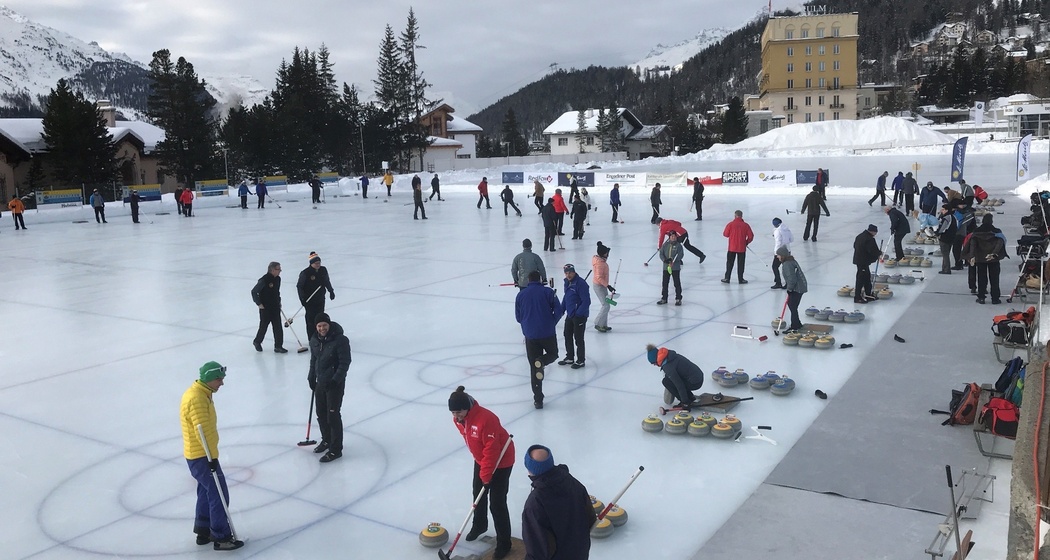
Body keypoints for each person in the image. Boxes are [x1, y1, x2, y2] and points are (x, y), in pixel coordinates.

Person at [180, 361, 244, 550]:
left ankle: (203, 529)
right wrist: (211, 459)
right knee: (218, 493)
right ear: (209, 378)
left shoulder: (202, 393)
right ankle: (221, 536)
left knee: (206, 491)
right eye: (219, 379)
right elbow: (202, 431)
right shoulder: (197, 399)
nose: (222, 383)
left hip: (197, 454)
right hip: (201, 455)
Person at [448, 386, 515, 558]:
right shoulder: (459, 420)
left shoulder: (486, 419)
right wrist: (482, 468)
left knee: (497, 503)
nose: (456, 416)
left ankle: (504, 544)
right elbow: (471, 440)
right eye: (453, 412)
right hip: (482, 459)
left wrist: (486, 475)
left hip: (501, 460)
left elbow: (492, 450)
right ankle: (480, 525)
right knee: (478, 492)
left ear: (467, 407)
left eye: (459, 412)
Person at [520, 445, 595, 560]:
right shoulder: (573, 483)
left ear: (530, 469)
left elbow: (538, 547)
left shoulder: (535, 503)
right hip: (580, 552)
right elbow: (590, 518)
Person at [515, 270, 564, 408]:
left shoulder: (521, 295)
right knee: (553, 354)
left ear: (528, 280)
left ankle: (538, 399)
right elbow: (559, 310)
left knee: (534, 369)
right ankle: (541, 360)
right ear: (540, 279)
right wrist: (551, 322)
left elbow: (518, 316)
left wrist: (526, 325)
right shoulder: (548, 292)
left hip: (530, 335)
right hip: (547, 332)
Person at [307, 312, 351, 463]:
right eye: (319, 326)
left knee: (333, 416)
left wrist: (335, 380)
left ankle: (335, 449)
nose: (322, 328)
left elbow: (345, 362)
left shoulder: (340, 340)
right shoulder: (314, 340)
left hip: (334, 384)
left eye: (324, 325)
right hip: (321, 382)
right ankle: (326, 440)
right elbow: (314, 359)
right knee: (321, 413)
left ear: (329, 324)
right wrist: (311, 376)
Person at [964, 214, 1007, 304]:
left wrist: (972, 256)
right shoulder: (997, 231)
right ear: (991, 221)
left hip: (980, 259)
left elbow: (973, 244)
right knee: (995, 278)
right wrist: (994, 253)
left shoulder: (976, 231)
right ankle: (995, 298)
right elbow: (1000, 243)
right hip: (993, 259)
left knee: (981, 278)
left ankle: (981, 297)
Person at [558, 264, 590, 369]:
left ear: (574, 272)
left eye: (570, 272)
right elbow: (567, 297)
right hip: (570, 314)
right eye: (566, 273)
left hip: (579, 316)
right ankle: (570, 357)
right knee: (567, 335)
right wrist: (561, 310)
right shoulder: (567, 283)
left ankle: (581, 360)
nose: (568, 275)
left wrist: (579, 313)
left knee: (578, 338)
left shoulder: (581, 284)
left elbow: (586, 301)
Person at [297, 252, 335, 340]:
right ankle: (312, 339)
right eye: (316, 263)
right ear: (311, 263)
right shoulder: (305, 273)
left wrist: (331, 291)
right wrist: (302, 299)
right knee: (310, 321)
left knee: (320, 319)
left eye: (319, 263)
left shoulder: (323, 270)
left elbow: (326, 281)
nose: (318, 265)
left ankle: (321, 337)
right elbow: (299, 287)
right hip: (309, 301)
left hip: (320, 299)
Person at [251, 262, 286, 353]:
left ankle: (278, 346)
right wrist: (259, 303)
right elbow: (254, 292)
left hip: (275, 307)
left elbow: (276, 292)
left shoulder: (278, 279)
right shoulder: (264, 280)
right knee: (264, 326)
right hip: (265, 308)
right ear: (272, 270)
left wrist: (279, 301)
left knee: (278, 327)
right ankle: (257, 341)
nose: (280, 271)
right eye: (279, 269)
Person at [778, 246, 808, 332]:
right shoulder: (791, 261)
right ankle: (797, 323)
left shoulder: (787, 264)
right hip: (800, 286)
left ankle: (795, 326)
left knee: (792, 305)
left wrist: (789, 289)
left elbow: (792, 279)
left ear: (782, 256)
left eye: (778, 255)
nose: (777, 257)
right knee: (792, 305)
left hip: (797, 287)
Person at [722, 210, 754, 284]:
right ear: (741, 216)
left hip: (732, 248)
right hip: (741, 248)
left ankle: (727, 278)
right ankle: (740, 279)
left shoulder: (730, 224)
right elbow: (751, 236)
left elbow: (725, 234)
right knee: (741, 264)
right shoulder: (746, 225)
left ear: (735, 216)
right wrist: (746, 242)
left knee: (729, 263)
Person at [853, 224, 881, 304]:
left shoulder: (860, 236)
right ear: (873, 232)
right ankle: (857, 297)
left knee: (867, 277)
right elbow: (872, 250)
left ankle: (868, 294)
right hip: (863, 261)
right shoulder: (869, 239)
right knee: (861, 279)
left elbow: (854, 246)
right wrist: (879, 253)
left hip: (860, 260)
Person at [591, 242, 615, 333]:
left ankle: (604, 324)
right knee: (606, 305)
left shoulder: (600, 260)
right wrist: (608, 286)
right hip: (599, 286)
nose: (608, 254)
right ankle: (598, 323)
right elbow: (598, 277)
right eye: (606, 253)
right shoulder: (600, 264)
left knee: (607, 304)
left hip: (602, 285)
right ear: (603, 254)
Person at [657, 230, 684, 305]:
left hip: (675, 268)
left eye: (674, 236)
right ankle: (664, 298)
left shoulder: (679, 246)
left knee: (677, 283)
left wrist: (673, 261)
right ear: (669, 237)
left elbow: (680, 255)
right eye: (672, 236)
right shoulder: (665, 245)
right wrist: (665, 260)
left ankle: (678, 298)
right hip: (666, 267)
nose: (673, 237)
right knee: (665, 283)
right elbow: (661, 254)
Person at [770, 217, 793, 289]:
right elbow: (792, 239)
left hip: (780, 251)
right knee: (786, 267)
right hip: (788, 250)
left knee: (775, 266)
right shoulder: (786, 229)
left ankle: (778, 282)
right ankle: (788, 282)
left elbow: (778, 242)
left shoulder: (777, 231)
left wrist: (776, 252)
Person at [935, 204, 958, 275]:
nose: (941, 211)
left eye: (943, 209)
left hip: (945, 238)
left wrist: (937, 233)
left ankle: (947, 269)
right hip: (952, 238)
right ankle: (944, 268)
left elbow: (943, 228)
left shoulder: (947, 218)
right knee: (946, 253)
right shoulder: (954, 217)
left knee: (945, 254)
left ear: (947, 210)